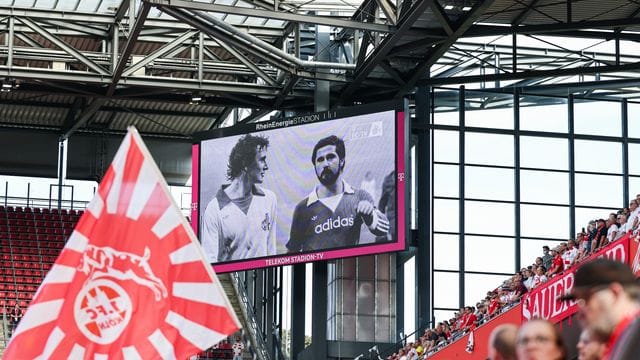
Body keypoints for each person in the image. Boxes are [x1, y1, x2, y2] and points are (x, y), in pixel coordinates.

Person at [286, 135, 389, 252]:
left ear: (342, 161)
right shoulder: (303, 209)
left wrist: (370, 217)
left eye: (330, 157)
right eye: (320, 160)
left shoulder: (360, 197)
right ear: (315, 166)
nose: (325, 164)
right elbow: (292, 252)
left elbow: (384, 229)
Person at [201, 134, 277, 262]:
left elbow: (271, 250)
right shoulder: (214, 210)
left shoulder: (270, 199)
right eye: (262, 160)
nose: (266, 166)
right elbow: (210, 261)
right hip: (230, 281)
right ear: (245, 164)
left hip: (263, 279)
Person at [560, 259, 640, 360]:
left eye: (586, 298)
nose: (580, 314)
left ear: (614, 293)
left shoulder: (634, 339)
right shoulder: (622, 341)